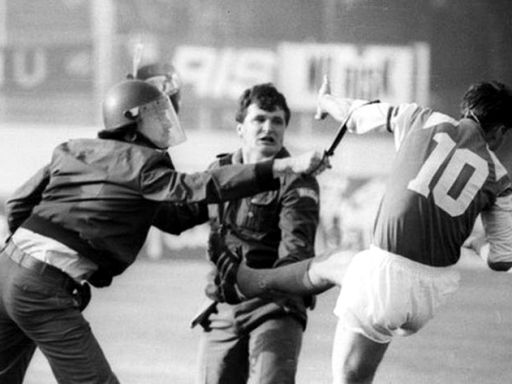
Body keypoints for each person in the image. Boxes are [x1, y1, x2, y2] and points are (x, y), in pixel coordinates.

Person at [0, 79, 327, 384]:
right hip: (42, 287)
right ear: (131, 119)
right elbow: (198, 187)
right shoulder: (144, 164)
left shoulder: (71, 148)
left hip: (5, 270)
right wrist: (282, 166)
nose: (166, 122)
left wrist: (28, 261)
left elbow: (18, 205)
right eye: (156, 115)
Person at [215, 78, 512, 383]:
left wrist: (326, 102)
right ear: (500, 130)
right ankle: (254, 281)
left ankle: (251, 281)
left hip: (385, 278)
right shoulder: (501, 180)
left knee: (345, 369)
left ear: (467, 108)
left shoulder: (422, 119)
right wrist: (476, 242)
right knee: (340, 264)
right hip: (430, 293)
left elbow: (356, 114)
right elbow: (502, 258)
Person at [192, 83, 321, 384]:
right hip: (224, 305)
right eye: (259, 119)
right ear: (240, 128)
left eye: (277, 121)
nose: (268, 128)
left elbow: (296, 255)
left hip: (276, 305)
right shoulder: (219, 169)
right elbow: (181, 209)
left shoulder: (297, 181)